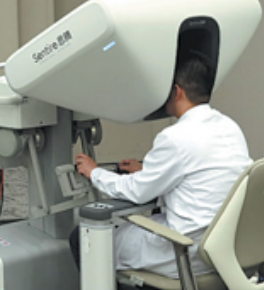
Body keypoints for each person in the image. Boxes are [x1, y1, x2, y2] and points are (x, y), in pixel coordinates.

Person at [73, 54, 252, 277]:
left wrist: (94, 172)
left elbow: (136, 191)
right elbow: (201, 174)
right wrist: (147, 172)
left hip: (187, 251)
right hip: (227, 248)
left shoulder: (175, 137)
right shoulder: (229, 127)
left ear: (176, 91)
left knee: (84, 238)